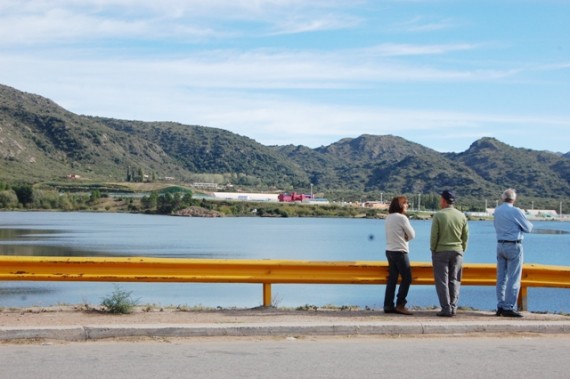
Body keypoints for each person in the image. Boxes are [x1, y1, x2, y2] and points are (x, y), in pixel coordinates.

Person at [493, 188, 533, 318]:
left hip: (500, 245)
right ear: (514, 199)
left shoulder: (497, 211)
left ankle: (500, 305)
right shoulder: (516, 211)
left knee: (501, 277)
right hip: (513, 245)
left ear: (502, 198)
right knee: (514, 278)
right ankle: (508, 307)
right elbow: (528, 228)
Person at [430, 190, 469, 317]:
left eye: (441, 199)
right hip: (457, 251)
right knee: (455, 280)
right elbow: (465, 236)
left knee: (442, 281)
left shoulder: (439, 215)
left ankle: (446, 308)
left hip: (440, 251)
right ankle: (453, 307)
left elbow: (434, 236)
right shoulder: (461, 215)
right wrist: (462, 249)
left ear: (444, 200)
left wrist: (433, 249)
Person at [383, 196, 416, 315]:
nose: (407, 205)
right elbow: (412, 235)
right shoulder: (402, 218)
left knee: (392, 278)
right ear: (401, 205)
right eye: (406, 203)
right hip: (400, 251)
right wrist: (406, 237)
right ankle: (400, 304)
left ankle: (388, 305)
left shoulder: (388, 218)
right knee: (407, 278)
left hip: (389, 251)